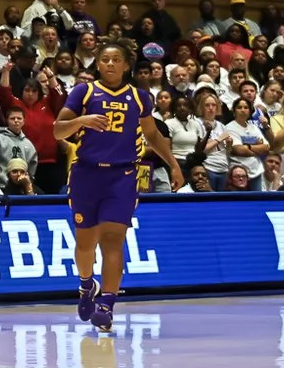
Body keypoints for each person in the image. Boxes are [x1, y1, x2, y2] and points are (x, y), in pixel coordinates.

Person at [53, 41, 185, 332]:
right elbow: (57, 129)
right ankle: (87, 285)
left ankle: (107, 304)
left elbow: (152, 135)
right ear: (97, 64)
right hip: (86, 175)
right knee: (85, 244)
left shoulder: (139, 98)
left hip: (122, 177)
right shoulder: (83, 92)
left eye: (116, 60)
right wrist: (83, 120)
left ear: (126, 65)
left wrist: (174, 165)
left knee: (113, 241)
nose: (110, 64)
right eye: (104, 60)